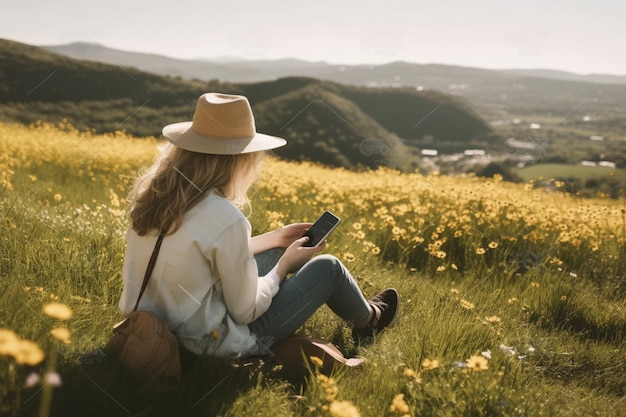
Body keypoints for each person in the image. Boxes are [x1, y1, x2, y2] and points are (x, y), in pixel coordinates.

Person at [118, 93, 399, 365]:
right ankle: (369, 321)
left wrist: (275, 239)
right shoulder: (225, 216)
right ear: (238, 159)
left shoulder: (155, 200)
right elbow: (245, 311)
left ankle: (361, 313)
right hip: (210, 344)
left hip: (154, 331)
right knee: (329, 268)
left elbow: (196, 253)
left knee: (276, 249)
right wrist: (283, 266)